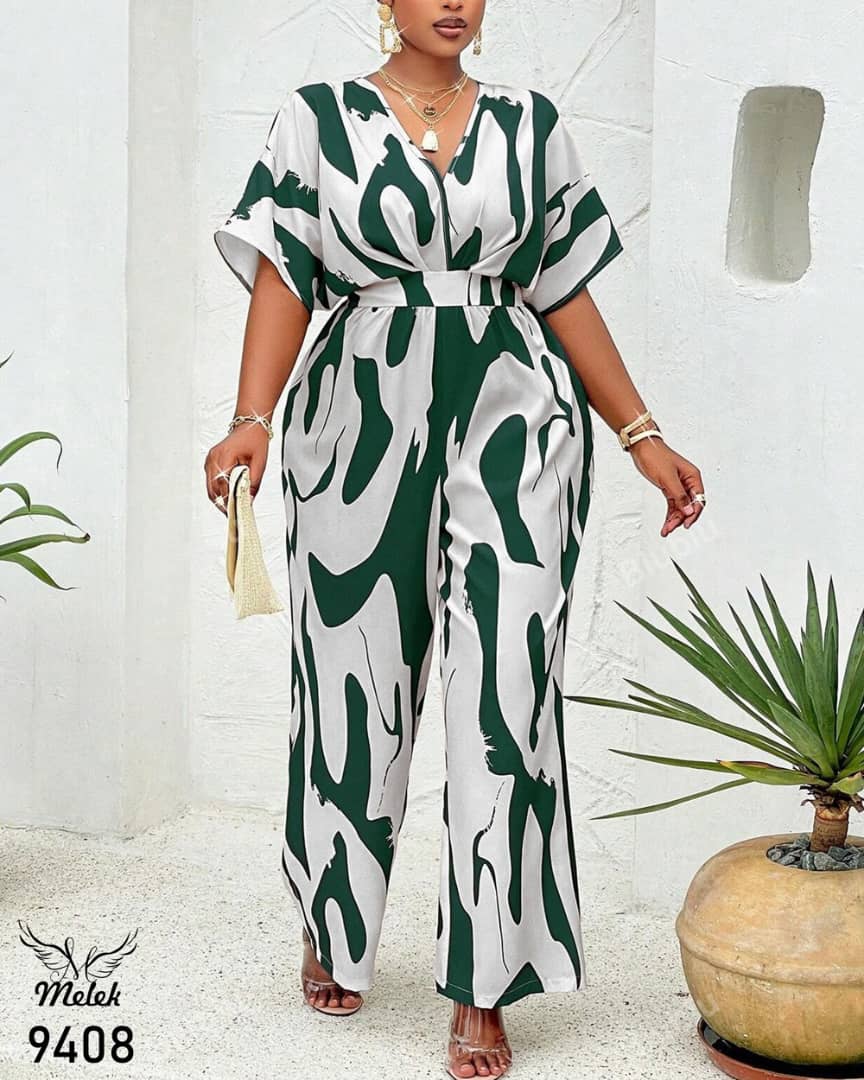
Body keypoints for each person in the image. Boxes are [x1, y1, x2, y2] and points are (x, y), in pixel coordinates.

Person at [205, 2, 706, 1076]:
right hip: (357, 418)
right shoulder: (315, 119)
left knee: (507, 689)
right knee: (353, 676)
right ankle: (336, 916)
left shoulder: (531, 124)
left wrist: (642, 434)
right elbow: (287, 271)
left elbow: (563, 289)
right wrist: (251, 418)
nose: (453, 2)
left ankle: (487, 979)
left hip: (515, 411)